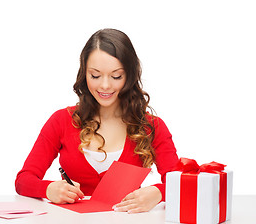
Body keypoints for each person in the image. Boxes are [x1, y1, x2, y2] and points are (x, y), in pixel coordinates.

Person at [15, 28, 179, 213]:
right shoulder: (61, 120)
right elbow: (23, 180)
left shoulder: (151, 126)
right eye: (95, 75)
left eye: (116, 76)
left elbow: (180, 183)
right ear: (84, 74)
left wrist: (158, 193)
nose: (105, 85)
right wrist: (48, 189)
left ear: (130, 75)